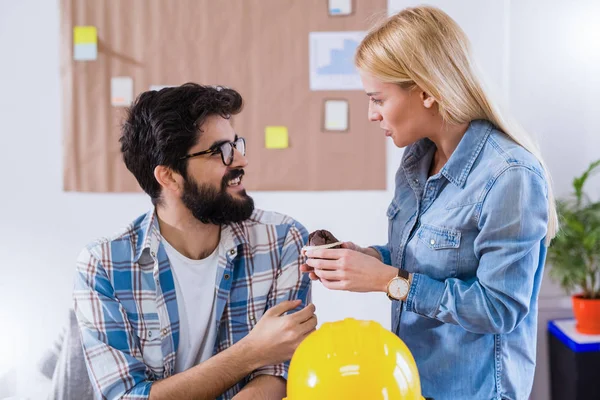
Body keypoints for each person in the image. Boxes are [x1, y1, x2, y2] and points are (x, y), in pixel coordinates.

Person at [301, 6, 557, 400]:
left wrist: (387, 281)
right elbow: (430, 256)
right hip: (416, 382)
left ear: (425, 91)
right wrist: (368, 257)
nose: (371, 115)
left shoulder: (510, 176)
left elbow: (500, 310)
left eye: (377, 99)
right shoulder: (417, 159)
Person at [73, 83, 315, 400]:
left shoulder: (283, 239)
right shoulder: (103, 265)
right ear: (170, 177)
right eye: (222, 152)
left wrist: (263, 357)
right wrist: (249, 353)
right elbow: (127, 396)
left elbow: (280, 371)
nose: (241, 161)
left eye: (237, 145)